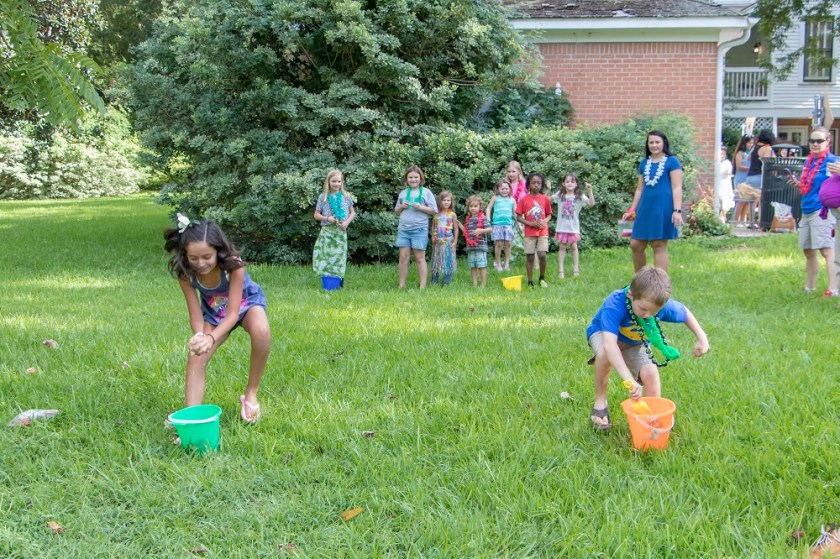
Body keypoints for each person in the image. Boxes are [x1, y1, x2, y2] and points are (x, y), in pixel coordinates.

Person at [164, 215, 271, 423]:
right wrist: (200, 336)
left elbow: (232, 314)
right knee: (196, 354)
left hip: (245, 304)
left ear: (218, 251)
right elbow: (195, 315)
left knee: (262, 331)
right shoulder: (186, 274)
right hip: (214, 313)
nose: (200, 263)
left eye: (207, 257)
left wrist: (211, 338)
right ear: (185, 255)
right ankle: (192, 418)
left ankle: (251, 392)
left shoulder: (234, 266)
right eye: (193, 258)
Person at [585, 266, 710, 430]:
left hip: (634, 342)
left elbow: (684, 313)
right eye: (643, 309)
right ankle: (600, 400)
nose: (647, 315)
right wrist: (628, 380)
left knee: (650, 372)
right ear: (631, 295)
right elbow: (610, 345)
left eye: (654, 312)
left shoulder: (656, 305)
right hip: (603, 334)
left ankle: (652, 416)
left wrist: (702, 339)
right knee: (604, 354)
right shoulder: (615, 303)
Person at [786, 127, 839, 297]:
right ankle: (809, 287)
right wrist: (797, 184)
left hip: (822, 210)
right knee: (808, 250)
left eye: (819, 141)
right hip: (806, 208)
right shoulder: (809, 162)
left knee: (827, 250)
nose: (815, 144)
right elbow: (809, 186)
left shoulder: (833, 160)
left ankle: (833, 289)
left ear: (828, 142)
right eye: (812, 141)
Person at [623, 130, 684, 272]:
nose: (654, 145)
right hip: (645, 207)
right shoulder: (644, 163)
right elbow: (639, 189)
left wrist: (677, 210)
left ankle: (660, 286)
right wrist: (632, 209)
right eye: (651, 142)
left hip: (663, 207)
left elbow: (677, 187)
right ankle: (641, 281)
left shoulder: (672, 161)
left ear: (664, 143)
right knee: (635, 244)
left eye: (657, 142)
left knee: (658, 244)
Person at [395, 165, 438, 289]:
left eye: (416, 177)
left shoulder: (426, 192)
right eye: (410, 177)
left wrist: (421, 207)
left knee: (419, 258)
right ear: (406, 179)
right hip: (404, 229)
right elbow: (397, 211)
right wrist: (402, 206)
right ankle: (401, 285)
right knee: (403, 257)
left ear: (421, 178)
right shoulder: (403, 193)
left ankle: (422, 286)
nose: (413, 179)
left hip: (419, 229)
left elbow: (434, 211)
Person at [313, 169, 356, 285]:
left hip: (340, 232)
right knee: (327, 256)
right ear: (328, 182)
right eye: (334, 181)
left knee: (339, 257)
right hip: (327, 232)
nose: (336, 184)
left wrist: (346, 222)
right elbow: (316, 215)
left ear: (342, 183)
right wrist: (327, 218)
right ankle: (328, 281)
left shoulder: (346, 196)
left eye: (339, 181)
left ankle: (338, 279)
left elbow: (353, 212)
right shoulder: (323, 197)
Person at [551, 172, 594, 278]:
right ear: (563, 183)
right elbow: (548, 199)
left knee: (574, 247)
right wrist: (548, 188)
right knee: (562, 247)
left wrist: (590, 190)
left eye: (572, 181)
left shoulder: (579, 196)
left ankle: (576, 269)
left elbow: (591, 203)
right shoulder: (560, 195)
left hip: (573, 227)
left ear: (576, 184)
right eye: (567, 181)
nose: (570, 183)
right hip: (562, 227)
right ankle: (561, 270)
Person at [515, 172, 552, 288]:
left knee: (542, 254)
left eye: (539, 183)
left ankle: (542, 277)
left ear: (541, 185)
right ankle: (530, 281)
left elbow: (549, 215)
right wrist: (530, 223)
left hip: (542, 231)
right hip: (529, 232)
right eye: (533, 183)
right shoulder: (524, 200)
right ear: (529, 185)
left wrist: (544, 221)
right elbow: (519, 217)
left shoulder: (544, 199)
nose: (536, 185)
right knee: (530, 256)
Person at [737, 129, 776, 226]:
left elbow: (749, 158)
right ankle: (760, 222)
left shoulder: (755, 146)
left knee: (752, 201)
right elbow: (768, 163)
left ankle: (751, 222)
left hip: (750, 176)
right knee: (760, 201)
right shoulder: (767, 148)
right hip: (760, 176)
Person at [459, 194, 493, 287]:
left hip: (480, 247)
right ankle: (474, 283)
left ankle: (483, 284)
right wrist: (457, 223)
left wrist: (480, 230)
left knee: (482, 265)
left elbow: (490, 229)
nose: (473, 208)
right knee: (473, 265)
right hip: (470, 247)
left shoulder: (483, 218)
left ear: (480, 207)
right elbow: (465, 232)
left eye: (475, 206)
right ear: (468, 207)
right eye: (471, 206)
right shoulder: (468, 219)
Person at [485, 179, 516, 272]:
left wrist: (519, 223)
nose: (504, 191)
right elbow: (488, 208)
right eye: (502, 189)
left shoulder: (512, 200)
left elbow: (515, 213)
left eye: (506, 189)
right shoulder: (495, 198)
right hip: (497, 224)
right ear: (498, 189)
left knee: (508, 244)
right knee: (499, 244)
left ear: (510, 189)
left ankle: (506, 263)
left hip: (509, 224)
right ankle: (497, 263)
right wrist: (488, 218)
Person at [430, 190, 458, 286]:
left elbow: (456, 230)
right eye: (444, 200)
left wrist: (455, 242)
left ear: (451, 202)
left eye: (448, 200)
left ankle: (446, 281)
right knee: (436, 261)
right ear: (440, 202)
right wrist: (433, 237)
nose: (446, 202)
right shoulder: (436, 214)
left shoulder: (452, 214)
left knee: (448, 261)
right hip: (437, 241)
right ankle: (434, 280)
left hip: (448, 240)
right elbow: (433, 227)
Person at [733, 134, 755, 225]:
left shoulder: (750, 153)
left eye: (752, 143)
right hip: (740, 178)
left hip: (748, 178)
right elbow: (739, 166)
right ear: (744, 143)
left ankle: (742, 221)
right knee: (740, 201)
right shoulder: (740, 153)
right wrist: (750, 169)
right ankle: (735, 221)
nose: (751, 145)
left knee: (746, 201)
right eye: (749, 143)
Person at [718, 147, 735, 223]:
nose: (722, 156)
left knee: (726, 201)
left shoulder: (727, 163)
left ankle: (722, 217)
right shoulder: (716, 163)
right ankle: (721, 218)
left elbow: (724, 172)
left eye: (723, 154)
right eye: (721, 154)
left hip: (725, 185)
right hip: (718, 184)